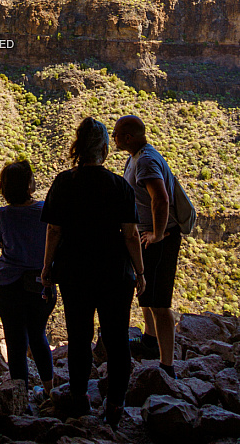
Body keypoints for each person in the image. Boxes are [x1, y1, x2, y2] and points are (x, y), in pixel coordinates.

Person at [41, 117, 145, 430]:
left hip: (74, 272)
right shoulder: (119, 186)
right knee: (116, 340)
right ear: (103, 148)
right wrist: (140, 272)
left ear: (78, 147)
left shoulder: (63, 182)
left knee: (79, 336)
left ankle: (80, 398)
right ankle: (115, 405)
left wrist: (47, 268)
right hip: (115, 273)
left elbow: (54, 231)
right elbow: (130, 235)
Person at [114, 115, 181, 379]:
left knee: (160, 301)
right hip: (143, 235)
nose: (115, 137)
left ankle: (167, 366)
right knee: (145, 291)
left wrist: (157, 234)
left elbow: (161, 198)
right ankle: (150, 341)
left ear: (128, 137)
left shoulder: (145, 161)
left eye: (117, 133)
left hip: (159, 239)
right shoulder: (137, 157)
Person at [0, 160, 56, 398]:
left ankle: (21, 398)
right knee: (39, 335)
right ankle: (50, 392)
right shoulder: (44, 210)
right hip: (40, 283)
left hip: (7, 285)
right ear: (29, 185)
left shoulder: (3, 214)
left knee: (16, 341)